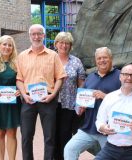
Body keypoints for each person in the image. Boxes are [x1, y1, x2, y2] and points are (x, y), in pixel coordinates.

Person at [16, 24, 67, 160]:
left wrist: (53, 95)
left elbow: (60, 77)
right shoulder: (22, 56)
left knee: (49, 136)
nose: (36, 36)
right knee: (26, 136)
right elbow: (19, 79)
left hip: (48, 100)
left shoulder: (53, 55)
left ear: (44, 36)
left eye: (39, 34)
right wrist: (23, 95)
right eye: (33, 34)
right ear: (29, 36)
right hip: (28, 100)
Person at [64, 47, 121, 160]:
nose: (102, 60)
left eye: (105, 57)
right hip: (88, 129)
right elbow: (79, 105)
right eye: (99, 58)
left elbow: (127, 102)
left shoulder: (120, 76)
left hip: (109, 131)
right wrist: (80, 108)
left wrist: (105, 96)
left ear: (111, 59)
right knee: (70, 149)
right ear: (96, 61)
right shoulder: (90, 77)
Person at [54, 32, 86, 160]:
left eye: (67, 43)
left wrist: (81, 102)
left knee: (65, 135)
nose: (64, 45)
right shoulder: (50, 59)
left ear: (71, 46)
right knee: (52, 135)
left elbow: (81, 83)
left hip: (69, 104)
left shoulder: (76, 62)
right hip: (51, 103)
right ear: (56, 44)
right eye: (61, 42)